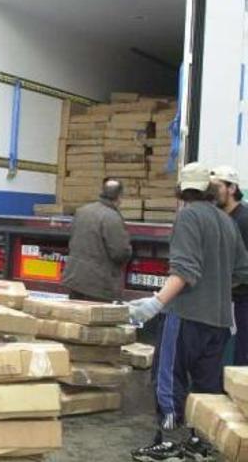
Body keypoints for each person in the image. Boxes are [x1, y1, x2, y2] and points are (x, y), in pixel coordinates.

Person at [128, 163, 248, 462]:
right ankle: (199, 442)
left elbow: (184, 270)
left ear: (181, 190)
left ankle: (168, 441)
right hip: (219, 320)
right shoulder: (226, 221)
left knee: (169, 379)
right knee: (207, 385)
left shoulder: (188, 217)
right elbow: (242, 270)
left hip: (186, 316)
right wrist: (216, 287)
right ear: (209, 189)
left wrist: (156, 303)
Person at [62, 178, 133, 301]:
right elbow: (120, 253)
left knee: (76, 318)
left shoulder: (82, 211)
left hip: (75, 280)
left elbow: (72, 239)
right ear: (120, 197)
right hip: (99, 287)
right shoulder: (113, 218)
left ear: (102, 192)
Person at [212, 165, 248, 365]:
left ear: (232, 188)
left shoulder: (244, 219)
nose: (213, 192)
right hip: (224, 299)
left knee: (240, 356)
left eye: (217, 187)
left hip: (241, 299)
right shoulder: (220, 217)